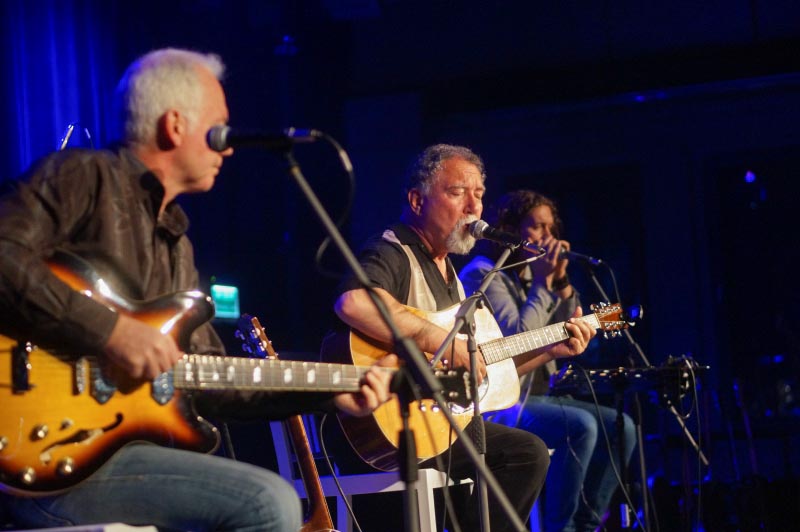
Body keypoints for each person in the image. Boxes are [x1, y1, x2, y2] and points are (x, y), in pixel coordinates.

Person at [0, 48, 394, 532]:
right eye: (219, 129)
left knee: (267, 497)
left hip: (116, 456)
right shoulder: (83, 176)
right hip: (41, 462)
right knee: (268, 501)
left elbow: (214, 383)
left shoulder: (176, 240)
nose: (227, 150)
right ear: (175, 125)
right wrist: (111, 331)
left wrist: (331, 393)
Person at [331, 145, 597, 532]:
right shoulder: (393, 250)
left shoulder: (448, 273)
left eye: (479, 195)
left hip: (440, 423)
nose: (474, 208)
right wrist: (435, 336)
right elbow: (354, 301)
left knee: (526, 452)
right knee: (525, 453)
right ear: (417, 200)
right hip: (393, 425)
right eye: (458, 193)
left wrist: (550, 349)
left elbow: (485, 371)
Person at [459, 189, 636, 532]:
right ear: (511, 229)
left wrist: (562, 283)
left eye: (552, 228)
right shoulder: (484, 274)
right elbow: (517, 338)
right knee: (581, 426)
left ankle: (585, 525)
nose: (548, 236)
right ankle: (560, 528)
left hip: (544, 394)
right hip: (503, 399)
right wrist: (543, 283)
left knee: (623, 428)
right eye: (537, 226)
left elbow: (563, 329)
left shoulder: (532, 278)